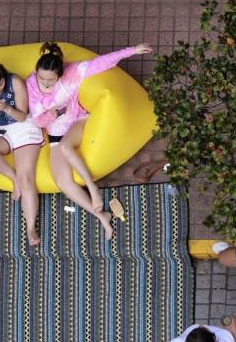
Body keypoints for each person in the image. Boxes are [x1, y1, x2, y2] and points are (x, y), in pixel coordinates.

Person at [26, 41, 153, 240]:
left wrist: (132, 51)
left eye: (50, 80)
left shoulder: (73, 72)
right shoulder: (32, 84)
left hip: (77, 121)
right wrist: (49, 115)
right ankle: (101, 215)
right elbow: (36, 119)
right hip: (55, 132)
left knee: (67, 147)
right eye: (41, 77)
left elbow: (102, 63)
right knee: (62, 182)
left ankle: (93, 187)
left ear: (59, 74)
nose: (45, 83)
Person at [0, 61, 45, 245]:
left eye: (0, 85)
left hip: (22, 126)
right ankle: (13, 178)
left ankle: (31, 229)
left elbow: (22, 115)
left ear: (4, 77)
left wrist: (6, 108)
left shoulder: (15, 81)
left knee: (27, 178)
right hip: (1, 129)